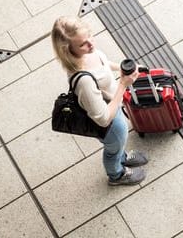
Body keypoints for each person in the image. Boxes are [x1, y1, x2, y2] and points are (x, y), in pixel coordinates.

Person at [51, 16, 148, 186]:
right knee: (113, 148)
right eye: (82, 44)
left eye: (89, 35)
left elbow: (104, 63)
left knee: (119, 144)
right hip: (110, 122)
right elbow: (102, 119)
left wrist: (122, 68)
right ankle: (116, 175)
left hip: (113, 106)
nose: (91, 44)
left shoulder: (87, 52)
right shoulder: (84, 81)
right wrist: (123, 85)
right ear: (68, 50)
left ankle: (122, 157)